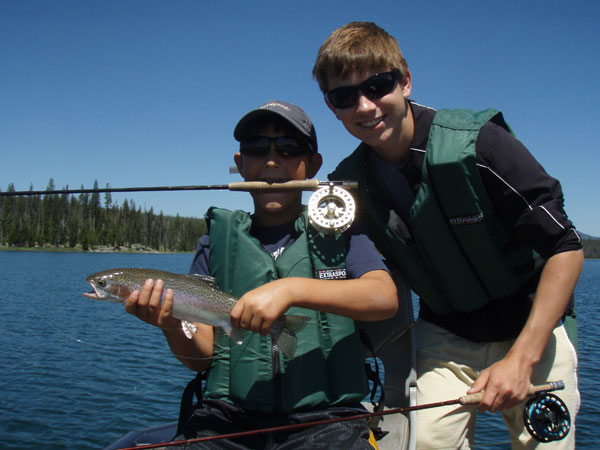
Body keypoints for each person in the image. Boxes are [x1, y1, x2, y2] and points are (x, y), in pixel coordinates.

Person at [312, 21, 583, 449]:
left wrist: (522, 358)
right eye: (344, 97)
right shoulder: (347, 186)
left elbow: (565, 246)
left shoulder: (480, 146)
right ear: (332, 108)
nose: (364, 107)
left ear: (405, 81)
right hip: (444, 337)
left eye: (377, 86)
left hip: (532, 328)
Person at [124, 99, 399, 449]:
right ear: (240, 164)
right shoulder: (214, 244)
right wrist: (171, 324)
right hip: (226, 419)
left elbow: (384, 297)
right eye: (256, 149)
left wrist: (291, 289)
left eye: (288, 149)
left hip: (328, 419)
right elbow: (201, 356)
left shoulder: (339, 232)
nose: (271, 160)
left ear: (312, 164)